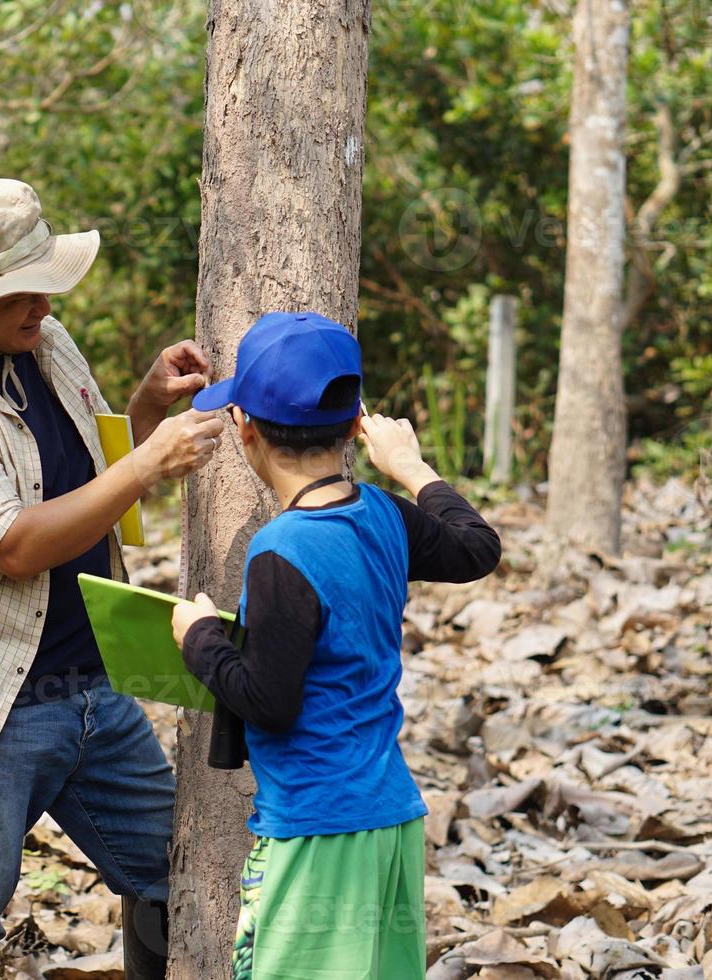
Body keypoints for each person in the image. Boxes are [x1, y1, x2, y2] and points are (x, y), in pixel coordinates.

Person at [0, 177, 228, 980]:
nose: (40, 308)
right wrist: (145, 466)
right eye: (18, 298)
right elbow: (17, 543)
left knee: (174, 876)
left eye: (44, 289)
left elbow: (85, 476)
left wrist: (143, 406)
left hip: (93, 685)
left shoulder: (44, 341)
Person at [170, 312, 502, 980]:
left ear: (246, 428)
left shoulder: (281, 549)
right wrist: (412, 469)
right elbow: (477, 548)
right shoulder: (385, 514)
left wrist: (199, 636)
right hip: (393, 821)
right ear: (357, 426)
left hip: (316, 833)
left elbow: (268, 700)